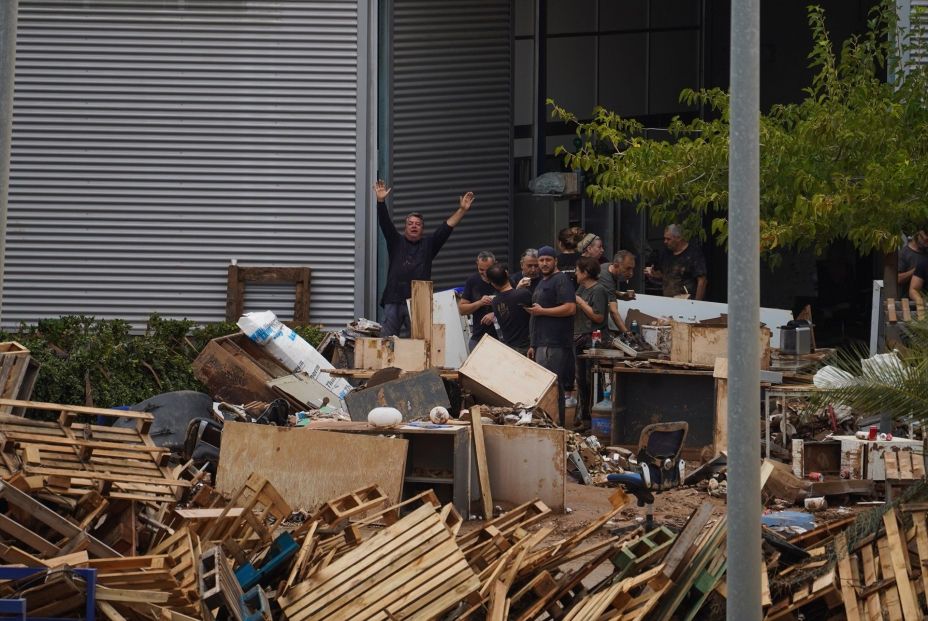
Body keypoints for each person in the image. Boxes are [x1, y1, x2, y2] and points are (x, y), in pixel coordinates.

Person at [376, 180, 475, 337]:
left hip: (418, 301)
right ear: (405, 227)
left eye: (418, 224)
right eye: (410, 224)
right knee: (386, 341)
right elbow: (385, 223)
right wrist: (380, 201)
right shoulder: (396, 241)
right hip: (393, 298)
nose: (414, 226)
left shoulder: (429, 244)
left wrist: (462, 210)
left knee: (419, 342)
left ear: (422, 228)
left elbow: (447, 227)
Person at [525, 245, 576, 426]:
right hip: (541, 343)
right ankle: (547, 424)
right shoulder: (541, 282)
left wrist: (544, 311)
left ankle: (557, 425)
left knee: (553, 388)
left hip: (555, 344)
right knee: (544, 388)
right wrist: (533, 344)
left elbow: (570, 308)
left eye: (548, 260)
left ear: (555, 261)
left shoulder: (561, 280)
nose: (544, 263)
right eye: (541, 260)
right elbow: (536, 315)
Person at [573, 256, 609, 432]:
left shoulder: (599, 290)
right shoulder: (581, 288)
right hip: (579, 338)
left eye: (577, 270)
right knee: (581, 380)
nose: (575, 273)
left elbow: (598, 317)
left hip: (593, 340)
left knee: (592, 379)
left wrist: (580, 302)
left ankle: (596, 422)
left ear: (585, 273)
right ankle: (585, 421)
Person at [645, 224, 707, 300]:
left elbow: (702, 281)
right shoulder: (665, 253)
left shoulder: (693, 253)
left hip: (687, 302)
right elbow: (664, 274)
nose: (665, 241)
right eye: (665, 238)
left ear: (679, 238)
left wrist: (697, 304)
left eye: (668, 239)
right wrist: (653, 274)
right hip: (668, 301)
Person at [488, 264, 532, 355]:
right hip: (528, 347)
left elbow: (510, 299)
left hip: (510, 348)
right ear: (507, 275)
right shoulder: (523, 293)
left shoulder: (495, 301)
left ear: (492, 283)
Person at [458, 251, 499, 350]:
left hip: (501, 338)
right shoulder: (472, 281)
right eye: (481, 269)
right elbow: (462, 309)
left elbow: (514, 305)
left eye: (488, 269)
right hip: (479, 337)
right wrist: (480, 303)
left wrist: (495, 314)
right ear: (477, 264)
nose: (485, 273)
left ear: (495, 264)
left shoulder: (502, 278)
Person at [598, 250, 636, 333]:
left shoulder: (607, 267)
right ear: (616, 265)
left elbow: (608, 291)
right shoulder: (606, 278)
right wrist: (628, 335)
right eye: (628, 268)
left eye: (632, 269)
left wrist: (621, 296)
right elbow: (613, 312)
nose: (631, 273)